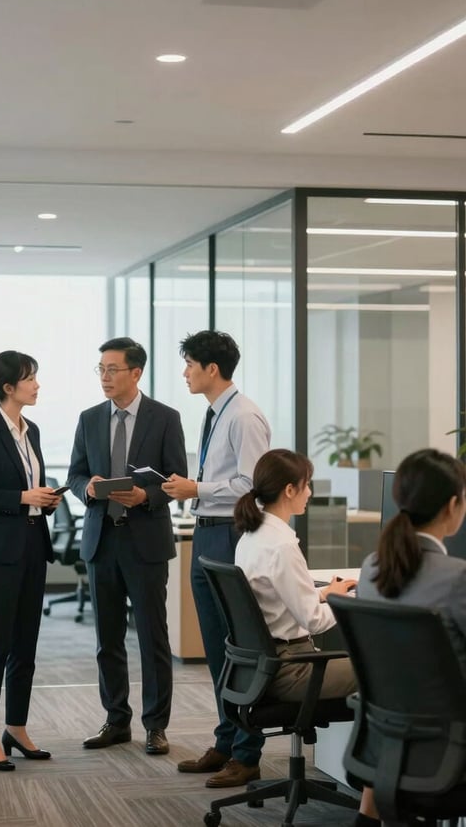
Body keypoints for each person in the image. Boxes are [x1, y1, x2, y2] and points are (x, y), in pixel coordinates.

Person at [67, 337, 187, 756]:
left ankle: (156, 725)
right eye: (100, 368)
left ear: (136, 373)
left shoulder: (165, 418)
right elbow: (76, 475)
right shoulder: (88, 419)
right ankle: (116, 720)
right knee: (108, 639)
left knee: (153, 637)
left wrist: (146, 496)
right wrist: (90, 489)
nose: (104, 376)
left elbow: (176, 479)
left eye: (112, 369)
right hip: (102, 540)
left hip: (145, 541)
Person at [162, 330, 270, 787]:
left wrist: (197, 489)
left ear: (211, 368)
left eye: (189, 364)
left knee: (238, 648)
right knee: (217, 650)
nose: (185, 372)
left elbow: (253, 485)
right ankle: (226, 741)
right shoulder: (215, 414)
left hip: (229, 536)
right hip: (207, 535)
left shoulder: (243, 417)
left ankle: (247, 753)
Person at [354, 448, 466, 827]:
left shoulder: (372, 568)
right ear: (453, 506)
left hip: (385, 744)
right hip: (449, 751)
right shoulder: (457, 578)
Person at [0, 350, 60, 771]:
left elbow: (30, 484)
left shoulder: (30, 429)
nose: (37, 385)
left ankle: (15, 727)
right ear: (8, 387)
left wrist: (44, 500)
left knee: (25, 644)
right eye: (30, 378)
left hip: (33, 545)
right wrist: (23, 498)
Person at [234, 449, 356, 701]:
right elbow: (314, 621)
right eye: (307, 484)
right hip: (291, 669)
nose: (310, 492)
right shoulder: (282, 547)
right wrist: (351, 602)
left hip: (260, 667)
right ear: (289, 490)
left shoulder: (251, 537)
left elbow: (278, 598)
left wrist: (324, 594)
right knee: (381, 669)